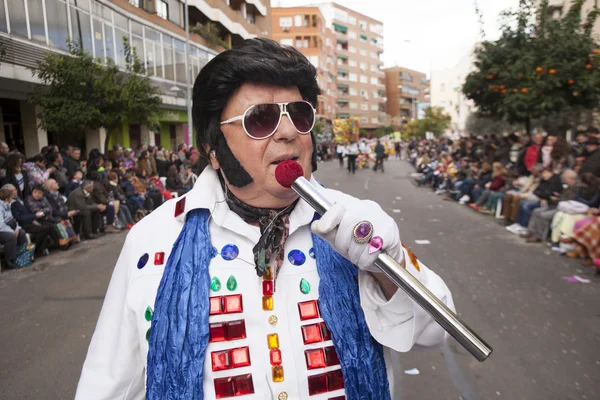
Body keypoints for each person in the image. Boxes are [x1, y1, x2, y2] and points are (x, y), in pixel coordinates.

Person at [76, 38, 454, 400]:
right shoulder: (152, 239)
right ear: (212, 147)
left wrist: (385, 265)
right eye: (261, 119)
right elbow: (108, 385)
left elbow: (435, 330)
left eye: (299, 115)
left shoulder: (354, 224)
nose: (289, 132)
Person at [8, 184, 52, 256]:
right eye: (12, 191)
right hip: (22, 225)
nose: (15, 192)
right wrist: (34, 216)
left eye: (15, 190)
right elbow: (18, 218)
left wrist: (32, 220)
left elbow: (27, 213)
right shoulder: (11, 204)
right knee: (44, 228)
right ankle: (34, 250)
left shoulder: (18, 200)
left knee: (46, 227)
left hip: (30, 221)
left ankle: (39, 249)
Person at [0, 185, 28, 269]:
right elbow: (1, 224)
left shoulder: (8, 205)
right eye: (10, 198)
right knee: (11, 237)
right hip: (1, 230)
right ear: (7, 198)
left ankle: (24, 256)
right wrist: (12, 231)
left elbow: (12, 219)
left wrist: (17, 228)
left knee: (21, 233)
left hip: (9, 227)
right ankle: (10, 261)